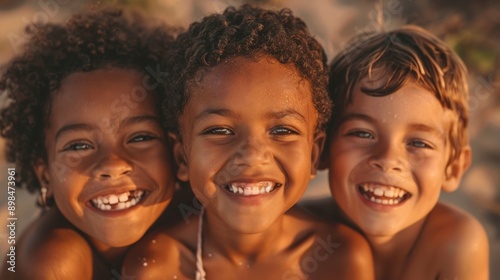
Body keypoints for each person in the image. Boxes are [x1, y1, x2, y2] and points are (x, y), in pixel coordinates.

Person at [122, 5, 374, 280]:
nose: (252, 155)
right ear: (182, 156)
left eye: (281, 130)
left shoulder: (339, 257)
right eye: (219, 130)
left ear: (314, 155)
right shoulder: (156, 267)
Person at [0, 9, 177, 279]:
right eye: (79, 146)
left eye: (140, 137)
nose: (112, 165)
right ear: (45, 172)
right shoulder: (52, 262)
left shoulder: (198, 209)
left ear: (177, 150)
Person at [323, 25, 489, 280]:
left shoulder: (457, 244)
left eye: (419, 143)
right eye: (363, 133)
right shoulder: (298, 235)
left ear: (454, 168)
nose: (388, 160)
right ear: (323, 149)